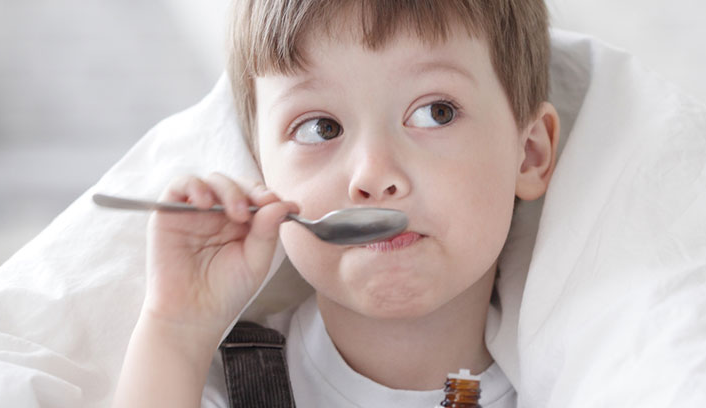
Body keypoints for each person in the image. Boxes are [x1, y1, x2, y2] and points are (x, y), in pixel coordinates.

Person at [113, 0, 559, 406]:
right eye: (321, 128)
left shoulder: (588, 380)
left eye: (435, 112)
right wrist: (176, 331)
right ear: (260, 170)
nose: (373, 174)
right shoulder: (205, 387)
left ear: (531, 153)